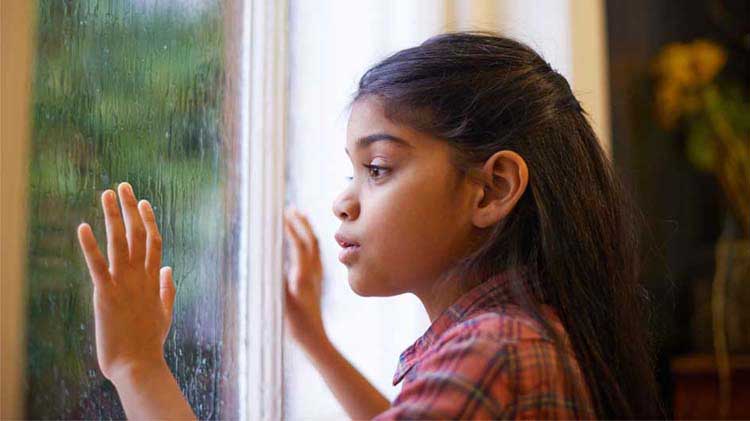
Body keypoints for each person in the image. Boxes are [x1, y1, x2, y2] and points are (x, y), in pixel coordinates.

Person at [76, 32, 662, 419]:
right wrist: (314, 340)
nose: (343, 201)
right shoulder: (525, 337)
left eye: (377, 168)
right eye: (352, 171)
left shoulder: (496, 351)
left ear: (492, 189)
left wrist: (137, 365)